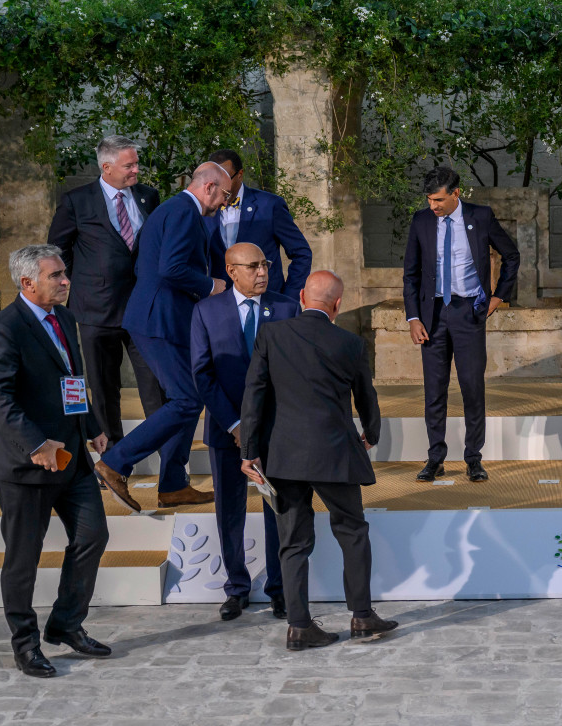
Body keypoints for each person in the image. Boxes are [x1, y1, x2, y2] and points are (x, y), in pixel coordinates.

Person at [240, 271, 397, 650]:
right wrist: (371, 434)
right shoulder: (350, 343)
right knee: (353, 532)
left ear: (301, 296)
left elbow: (254, 395)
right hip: (335, 453)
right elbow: (366, 397)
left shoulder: (271, 335)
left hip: (284, 456)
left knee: (293, 543)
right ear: (338, 304)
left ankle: (298, 626)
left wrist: (249, 451)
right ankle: (361, 615)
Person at [0, 244, 113, 678]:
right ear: (27, 283)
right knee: (23, 558)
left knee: (93, 536)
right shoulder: (3, 329)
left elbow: (72, 380)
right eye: (56, 275)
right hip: (24, 468)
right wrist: (37, 445)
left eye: (63, 274)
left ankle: (66, 624)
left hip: (72, 460)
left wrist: (92, 425)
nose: (65, 281)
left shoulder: (65, 319)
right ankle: (26, 644)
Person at [94, 163, 231, 511]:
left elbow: (146, 265)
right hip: (159, 319)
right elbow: (171, 269)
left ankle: (173, 485)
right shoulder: (184, 212)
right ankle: (115, 463)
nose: (225, 203)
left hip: (161, 316)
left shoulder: (171, 209)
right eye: (225, 195)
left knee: (190, 397)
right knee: (186, 399)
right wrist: (210, 285)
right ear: (210, 187)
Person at [191, 242, 301, 622]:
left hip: (275, 429)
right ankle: (236, 587)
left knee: (276, 509)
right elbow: (202, 374)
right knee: (230, 511)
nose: (263, 272)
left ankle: (279, 590)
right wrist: (236, 425)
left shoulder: (286, 308)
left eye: (266, 264)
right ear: (231, 270)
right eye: (253, 266)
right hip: (227, 430)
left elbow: (293, 372)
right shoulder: (206, 311)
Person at [403, 167, 521, 483]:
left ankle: (473, 459)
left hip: (469, 312)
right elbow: (411, 274)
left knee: (472, 387)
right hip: (432, 316)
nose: (433, 206)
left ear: (456, 193)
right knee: (434, 391)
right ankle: (435, 459)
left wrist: (499, 297)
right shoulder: (422, 221)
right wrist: (413, 317)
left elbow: (511, 255)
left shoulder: (480, 217)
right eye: (429, 199)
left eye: (439, 199)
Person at [46, 135, 165, 448]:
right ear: (107, 167)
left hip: (143, 310)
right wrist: (76, 285)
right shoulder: (77, 201)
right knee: (103, 388)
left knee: (156, 385)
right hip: (95, 312)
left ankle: (169, 457)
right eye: (130, 165)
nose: (136, 170)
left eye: (136, 163)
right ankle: (114, 460)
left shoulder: (148, 197)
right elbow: (58, 251)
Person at [204, 149, 312, 301]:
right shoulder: (204, 209)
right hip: (222, 306)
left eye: (225, 178)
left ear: (240, 175)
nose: (219, 185)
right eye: (214, 180)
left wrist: (288, 299)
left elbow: (302, 253)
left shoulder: (270, 205)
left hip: (267, 304)